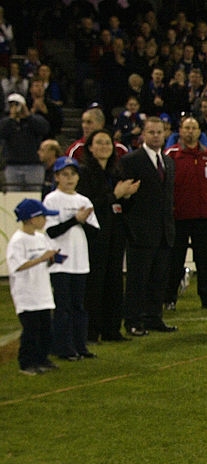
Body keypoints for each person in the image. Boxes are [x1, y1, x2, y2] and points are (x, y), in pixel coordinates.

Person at [76, 129, 139, 343]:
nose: (104, 147)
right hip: (95, 236)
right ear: (90, 147)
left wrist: (127, 196)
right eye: (99, 143)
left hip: (115, 233)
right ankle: (91, 332)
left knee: (113, 282)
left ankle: (112, 329)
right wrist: (116, 195)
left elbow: (120, 206)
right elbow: (88, 205)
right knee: (95, 283)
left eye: (108, 143)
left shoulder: (115, 173)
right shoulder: (84, 174)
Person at [120, 116, 177, 336]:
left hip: (164, 231)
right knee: (137, 280)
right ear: (143, 134)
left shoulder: (168, 162)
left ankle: (154, 318)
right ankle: (133, 320)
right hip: (140, 232)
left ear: (165, 133)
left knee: (158, 278)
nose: (155, 136)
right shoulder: (131, 161)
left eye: (159, 132)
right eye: (151, 132)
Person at [164, 115, 207, 311]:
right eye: (187, 128)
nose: (190, 131)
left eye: (194, 128)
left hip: (203, 217)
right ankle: (169, 298)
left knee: (205, 261)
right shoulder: (171, 156)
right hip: (178, 217)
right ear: (180, 131)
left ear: (200, 132)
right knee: (175, 260)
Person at [44, 157, 99, 361]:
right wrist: (75, 220)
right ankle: (62, 347)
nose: (69, 178)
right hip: (60, 261)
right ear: (57, 177)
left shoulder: (83, 201)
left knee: (78, 305)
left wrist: (82, 222)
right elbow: (51, 230)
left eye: (73, 174)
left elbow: (95, 233)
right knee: (63, 306)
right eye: (64, 174)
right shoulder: (52, 200)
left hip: (80, 261)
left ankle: (80, 345)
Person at [7, 199, 61, 375]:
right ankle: (27, 363)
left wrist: (52, 259)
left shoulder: (40, 238)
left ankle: (42, 358)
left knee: (46, 329)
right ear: (31, 219)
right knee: (31, 331)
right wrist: (41, 258)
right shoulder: (18, 241)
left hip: (43, 292)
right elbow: (18, 265)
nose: (45, 220)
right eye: (42, 216)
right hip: (27, 294)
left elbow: (46, 260)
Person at [1, 92, 50, 188]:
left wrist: (28, 116)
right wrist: (12, 119)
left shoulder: (34, 120)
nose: (14, 107)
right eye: (11, 105)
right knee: (13, 197)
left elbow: (44, 129)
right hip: (12, 166)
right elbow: (2, 132)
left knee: (35, 195)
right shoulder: (6, 122)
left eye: (17, 105)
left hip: (34, 165)